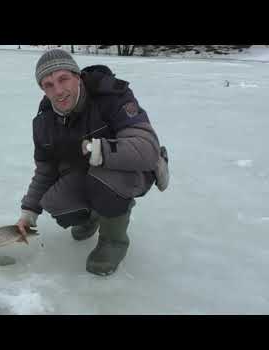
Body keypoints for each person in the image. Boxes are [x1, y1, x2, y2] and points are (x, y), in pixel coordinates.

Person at [16, 49, 169, 276]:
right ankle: (95, 216)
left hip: (132, 168)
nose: (58, 91)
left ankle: (113, 241)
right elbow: (45, 171)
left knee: (103, 179)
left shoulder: (111, 95)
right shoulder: (43, 123)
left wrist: (100, 150)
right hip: (87, 171)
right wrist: (29, 212)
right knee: (55, 201)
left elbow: (146, 147)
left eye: (63, 79)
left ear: (77, 76)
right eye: (48, 84)